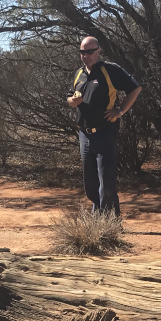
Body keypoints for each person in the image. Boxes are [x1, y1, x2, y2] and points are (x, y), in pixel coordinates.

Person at [67, 37, 142, 216]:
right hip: (84, 134)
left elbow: (135, 88)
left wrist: (121, 111)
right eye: (82, 52)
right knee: (90, 183)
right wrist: (73, 101)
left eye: (90, 52)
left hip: (105, 132)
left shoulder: (110, 70)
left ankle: (109, 222)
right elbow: (70, 98)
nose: (86, 56)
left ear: (98, 51)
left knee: (106, 181)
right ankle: (99, 214)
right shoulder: (79, 73)